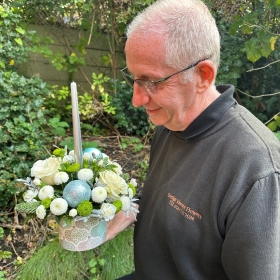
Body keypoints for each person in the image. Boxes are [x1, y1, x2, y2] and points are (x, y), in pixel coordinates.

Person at [106, 0, 280, 279]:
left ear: (202, 75)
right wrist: (129, 208)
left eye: (152, 82)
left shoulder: (256, 168)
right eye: (135, 80)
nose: (137, 99)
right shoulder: (170, 123)